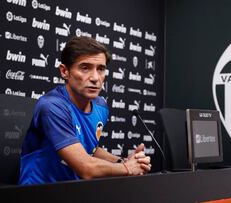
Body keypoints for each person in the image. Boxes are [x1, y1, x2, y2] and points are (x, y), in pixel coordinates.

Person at [19, 36, 151, 184]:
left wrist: (122, 161)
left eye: (101, 69)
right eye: (85, 68)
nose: (95, 78)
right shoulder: (52, 106)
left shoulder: (101, 106)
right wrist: (127, 168)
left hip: (75, 191)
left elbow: (90, 149)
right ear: (64, 71)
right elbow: (86, 167)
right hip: (38, 193)